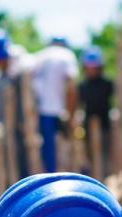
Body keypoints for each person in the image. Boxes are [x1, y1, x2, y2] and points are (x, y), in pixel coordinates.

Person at [0, 29, 32, 178]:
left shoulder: (18, 75)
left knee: (21, 166)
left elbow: (26, 104)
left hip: (19, 129)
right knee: (8, 167)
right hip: (6, 129)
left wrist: (23, 124)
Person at [31, 37, 78, 172]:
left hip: (42, 111)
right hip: (60, 111)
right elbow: (71, 86)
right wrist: (71, 115)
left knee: (47, 153)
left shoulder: (40, 56)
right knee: (65, 151)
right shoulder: (67, 55)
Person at [77, 47, 114, 177]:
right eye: (89, 67)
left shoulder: (107, 83)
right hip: (88, 126)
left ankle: (103, 178)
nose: (91, 70)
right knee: (90, 155)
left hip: (104, 125)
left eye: (94, 67)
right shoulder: (82, 85)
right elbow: (79, 105)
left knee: (104, 155)